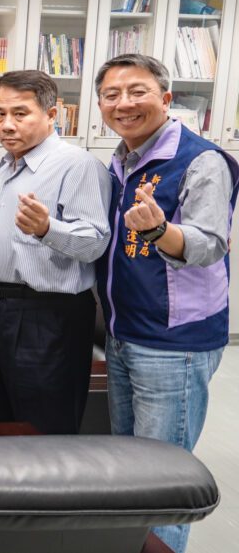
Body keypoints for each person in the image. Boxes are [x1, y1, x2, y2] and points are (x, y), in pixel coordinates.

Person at [95, 54, 238, 553]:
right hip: (124, 334)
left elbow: (209, 244)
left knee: (164, 476)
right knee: (130, 467)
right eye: (111, 95)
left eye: (137, 92)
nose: (124, 103)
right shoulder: (121, 159)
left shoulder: (202, 160)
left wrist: (159, 230)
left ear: (166, 99)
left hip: (174, 343)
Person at [0, 69, 111, 435]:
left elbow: (95, 242)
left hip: (47, 317)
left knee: (44, 427)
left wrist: (48, 229)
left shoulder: (77, 165)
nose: (6, 124)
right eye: (0, 113)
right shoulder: (8, 163)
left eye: (20, 113)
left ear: (52, 115)